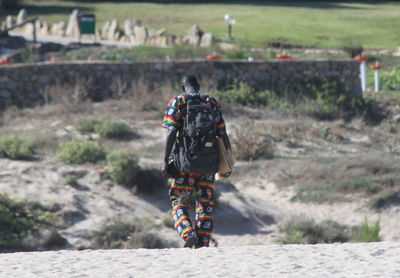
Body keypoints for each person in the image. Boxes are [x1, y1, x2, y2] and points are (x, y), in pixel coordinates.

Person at [161, 75, 231, 248]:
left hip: (183, 164)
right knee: (205, 203)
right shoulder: (212, 102)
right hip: (208, 165)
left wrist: (164, 161)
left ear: (182, 87)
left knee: (178, 201)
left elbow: (171, 133)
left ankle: (188, 233)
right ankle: (203, 241)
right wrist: (229, 161)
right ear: (198, 86)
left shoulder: (178, 101)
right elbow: (222, 134)